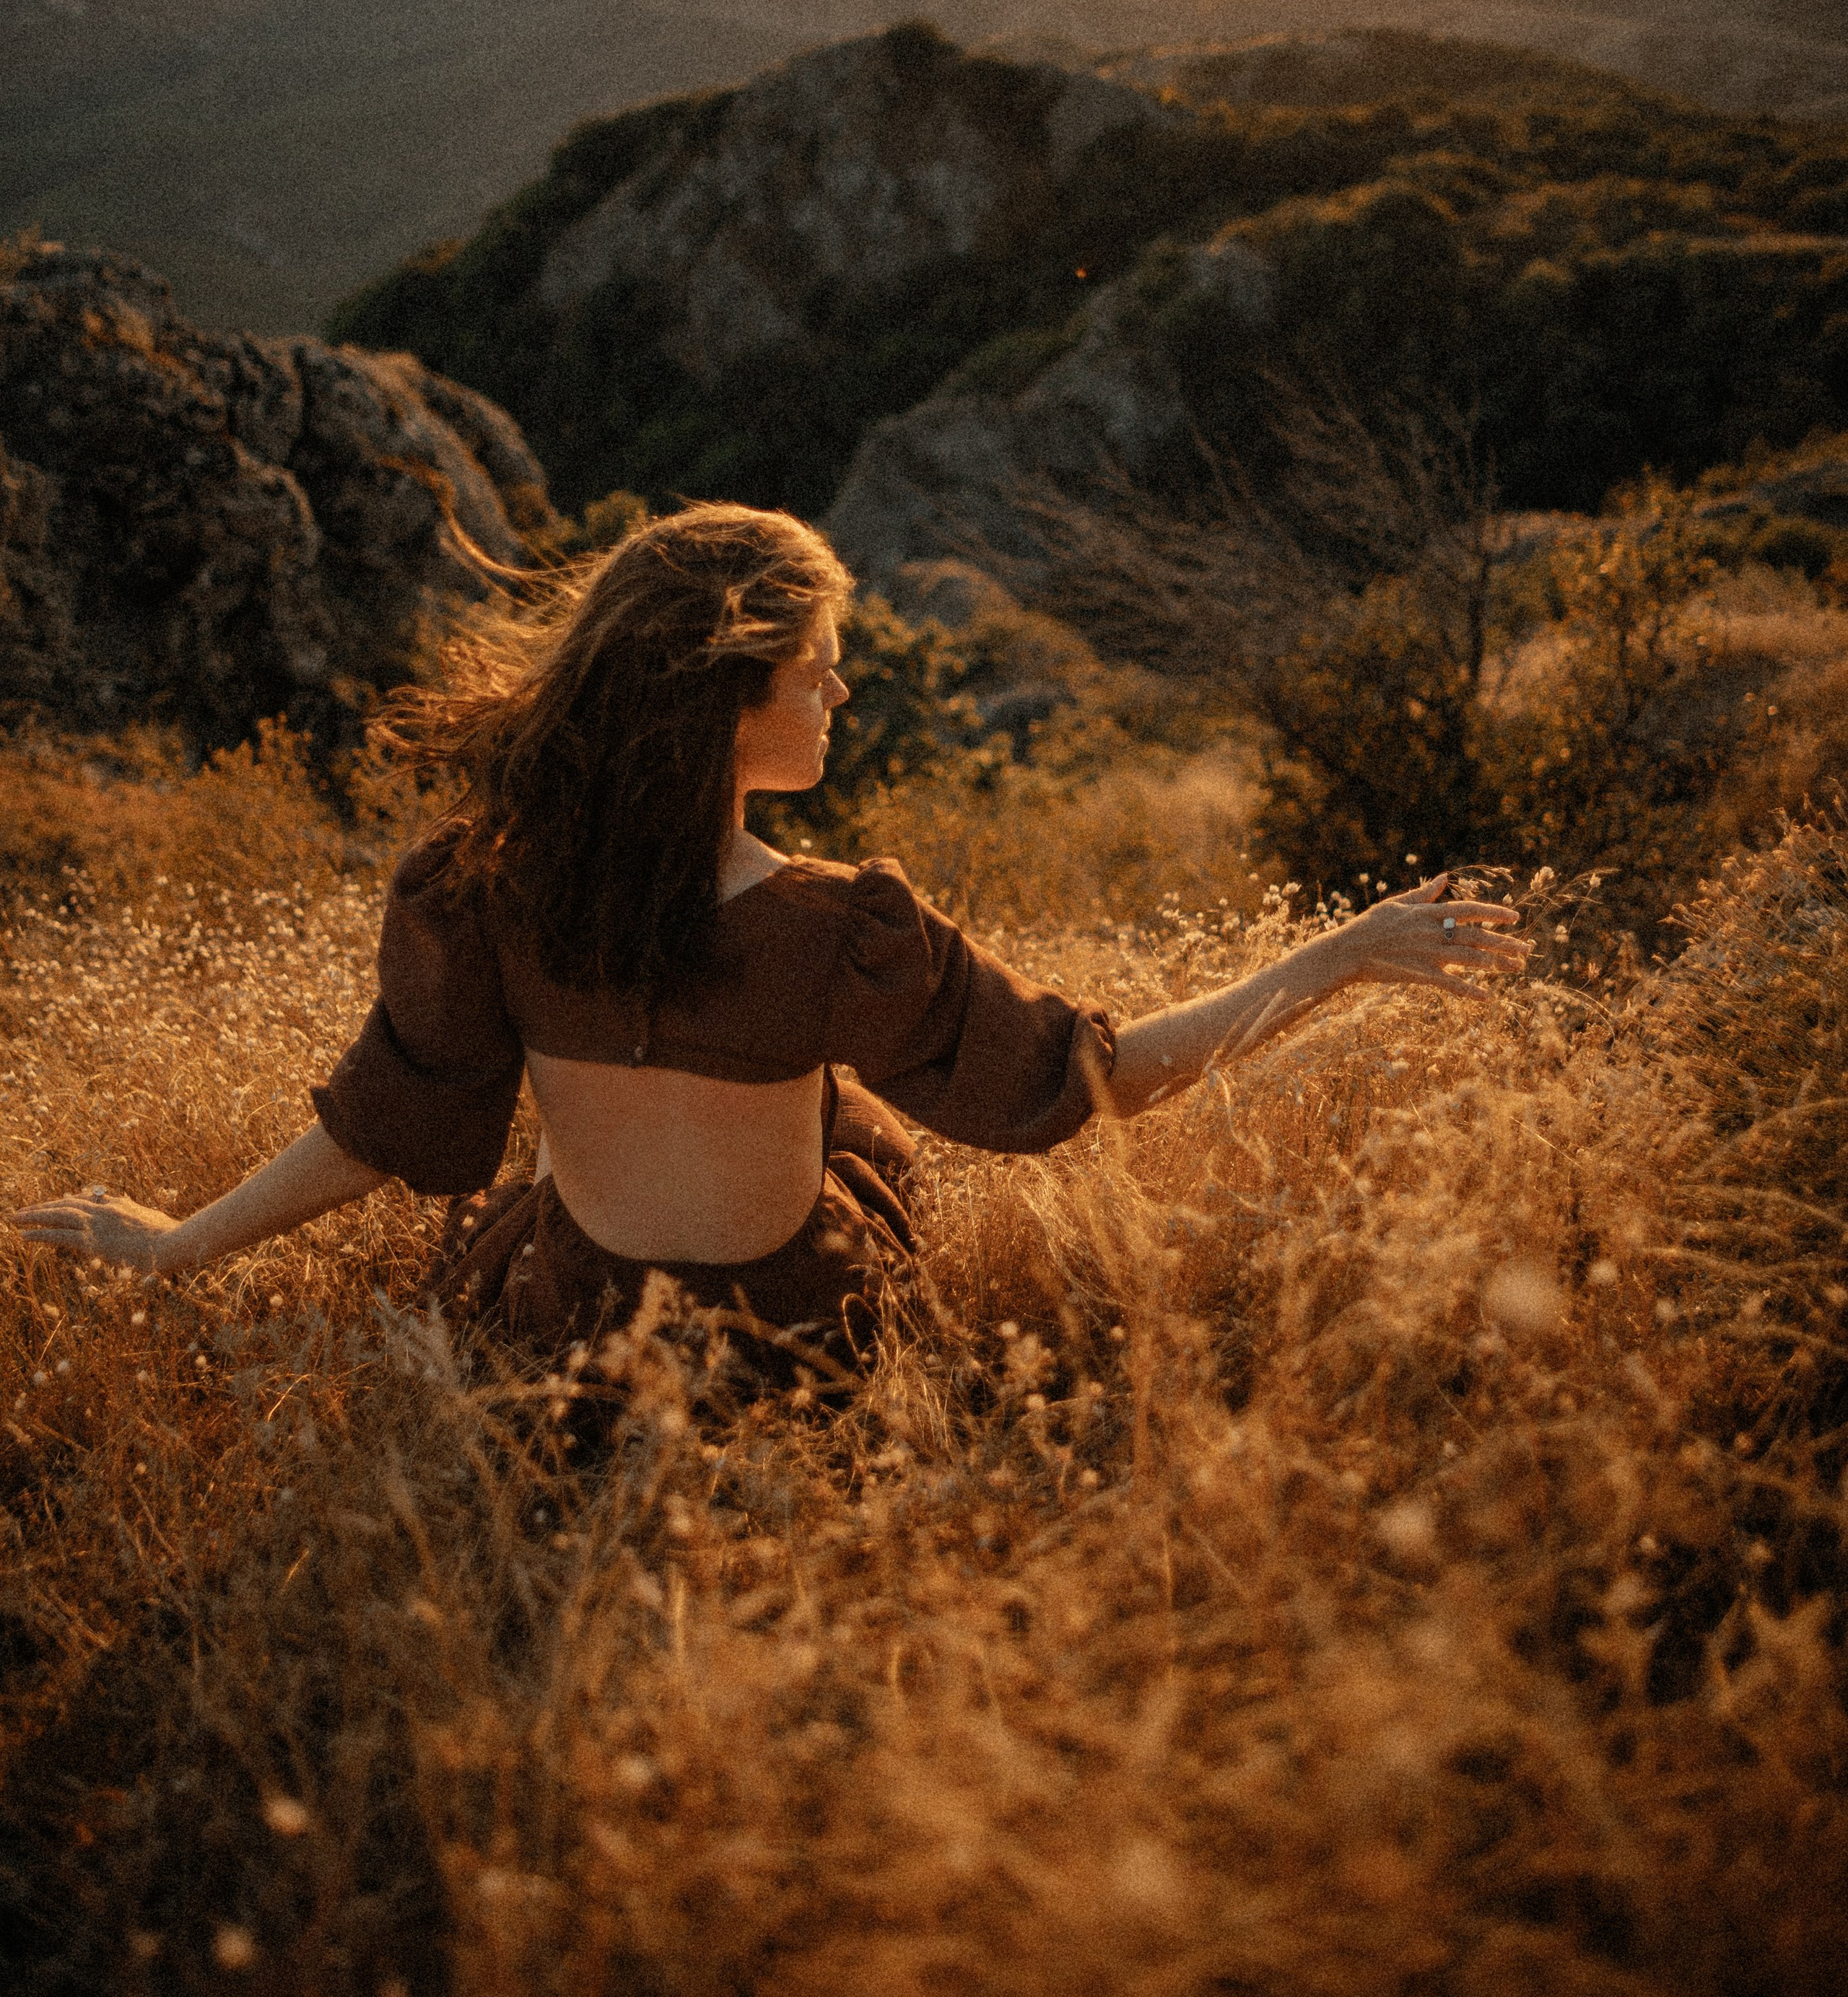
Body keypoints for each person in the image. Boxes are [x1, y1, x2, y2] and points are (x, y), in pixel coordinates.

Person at [10, 503, 1527, 1368]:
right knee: (855, 1122)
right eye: (818, 669)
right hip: (801, 1352)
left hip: (574, 1335)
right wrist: (1336, 956)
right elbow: (1097, 1079)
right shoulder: (831, 933)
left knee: (584, 1172)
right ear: (732, 698)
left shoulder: (486, 891)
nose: (842, 694)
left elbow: (384, 1127)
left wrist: (180, 1245)